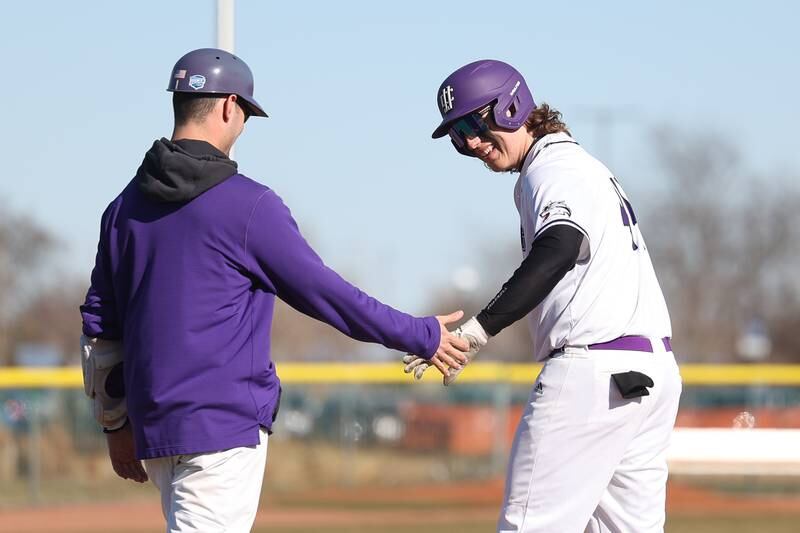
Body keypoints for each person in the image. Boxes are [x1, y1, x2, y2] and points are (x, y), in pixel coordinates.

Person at [79, 47, 468, 533]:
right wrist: (420, 333)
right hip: (221, 431)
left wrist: (115, 426)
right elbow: (329, 296)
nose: (242, 125)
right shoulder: (248, 207)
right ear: (227, 107)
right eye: (245, 113)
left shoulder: (122, 209)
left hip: (156, 431)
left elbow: (99, 333)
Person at [403, 60, 682, 532]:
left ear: (512, 106)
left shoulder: (552, 167)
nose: (470, 141)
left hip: (591, 376)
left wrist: (476, 332)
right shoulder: (581, 166)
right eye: (457, 135)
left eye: (474, 122)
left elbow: (560, 246)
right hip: (650, 377)